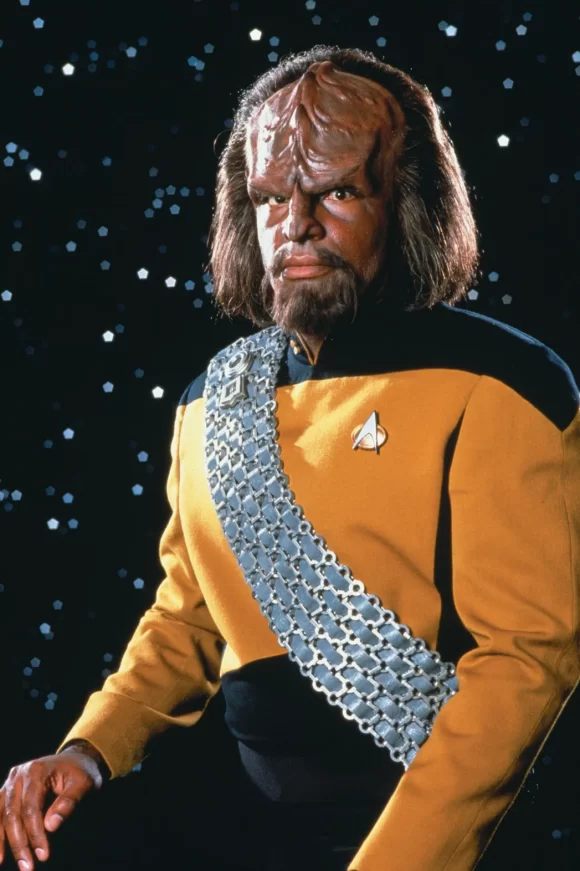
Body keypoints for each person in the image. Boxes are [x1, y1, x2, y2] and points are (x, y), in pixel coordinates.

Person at [1, 44, 579, 871]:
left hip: (441, 835)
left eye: (337, 191)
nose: (296, 223)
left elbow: (526, 659)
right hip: (252, 830)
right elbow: (188, 615)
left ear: (407, 201)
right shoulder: (210, 399)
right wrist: (88, 748)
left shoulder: (501, 381)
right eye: (272, 197)